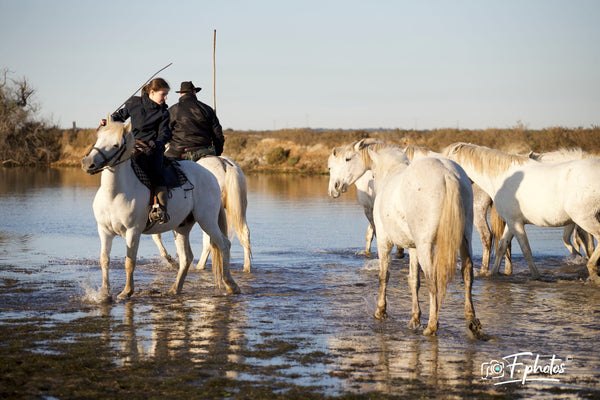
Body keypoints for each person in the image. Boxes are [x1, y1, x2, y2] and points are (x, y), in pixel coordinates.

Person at [101, 77, 172, 223]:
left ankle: (160, 209)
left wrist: (157, 143)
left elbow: (165, 134)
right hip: (132, 146)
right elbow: (119, 117)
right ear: (152, 92)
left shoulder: (164, 112)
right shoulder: (134, 103)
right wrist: (108, 121)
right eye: (163, 94)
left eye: (166, 95)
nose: (165, 98)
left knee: (158, 175)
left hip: (152, 150)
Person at [165, 81, 225, 161]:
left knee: (161, 165)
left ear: (181, 93)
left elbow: (165, 134)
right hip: (205, 150)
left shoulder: (172, 110)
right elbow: (218, 135)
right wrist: (217, 152)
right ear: (194, 92)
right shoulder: (207, 109)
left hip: (178, 151)